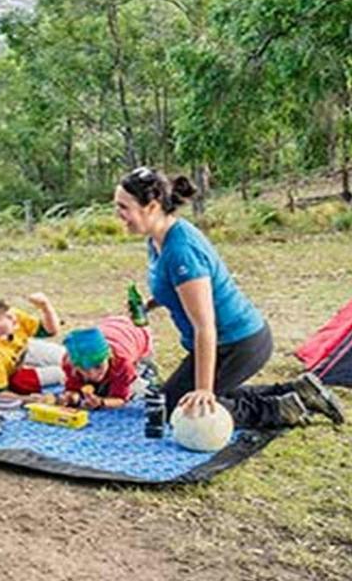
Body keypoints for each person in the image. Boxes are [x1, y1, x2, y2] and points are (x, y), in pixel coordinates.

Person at [114, 166, 344, 427]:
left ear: (152, 206)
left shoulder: (181, 251)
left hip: (238, 343)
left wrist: (203, 390)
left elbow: (204, 326)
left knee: (184, 410)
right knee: (166, 403)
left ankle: (279, 410)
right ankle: (301, 391)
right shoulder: (157, 239)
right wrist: (149, 304)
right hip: (223, 342)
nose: (118, 214)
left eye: (123, 207)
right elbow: (178, 287)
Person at [0, 293, 65, 393]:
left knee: (72, 357)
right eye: (2, 318)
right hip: (12, 376)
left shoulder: (12, 316)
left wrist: (45, 306)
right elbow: (0, 394)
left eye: (7, 312)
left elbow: (50, 330)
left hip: (25, 351)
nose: (12, 317)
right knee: (67, 371)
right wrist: (31, 400)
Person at [58, 318, 153, 409]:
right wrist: (70, 398)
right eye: (84, 369)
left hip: (136, 333)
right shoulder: (69, 363)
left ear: (108, 357)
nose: (92, 374)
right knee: (99, 387)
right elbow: (72, 388)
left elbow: (121, 398)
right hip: (108, 327)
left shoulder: (122, 363)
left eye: (98, 366)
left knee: (139, 386)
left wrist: (101, 402)